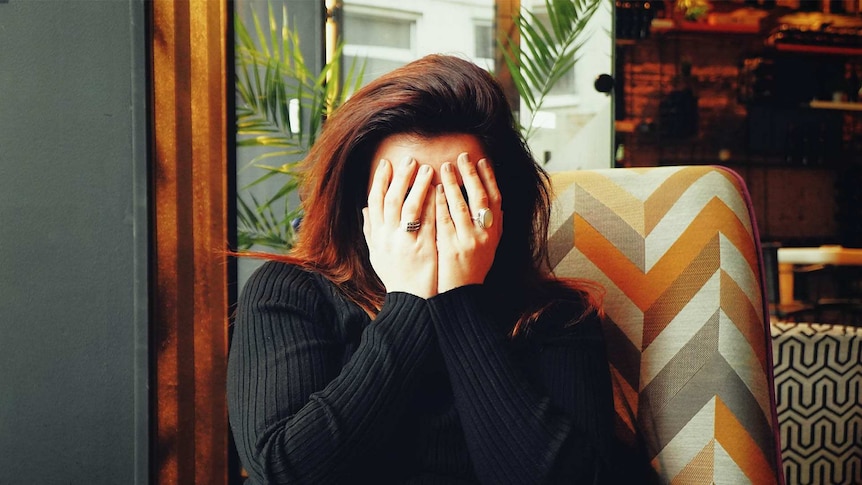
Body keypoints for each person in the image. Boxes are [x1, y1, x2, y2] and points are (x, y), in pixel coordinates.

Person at [227, 54, 621, 484]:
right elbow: (286, 472)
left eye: (458, 192)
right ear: (361, 200)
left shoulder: (557, 317)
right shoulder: (289, 292)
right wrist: (409, 299)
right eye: (405, 193)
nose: (434, 213)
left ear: (500, 200)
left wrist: (457, 299)